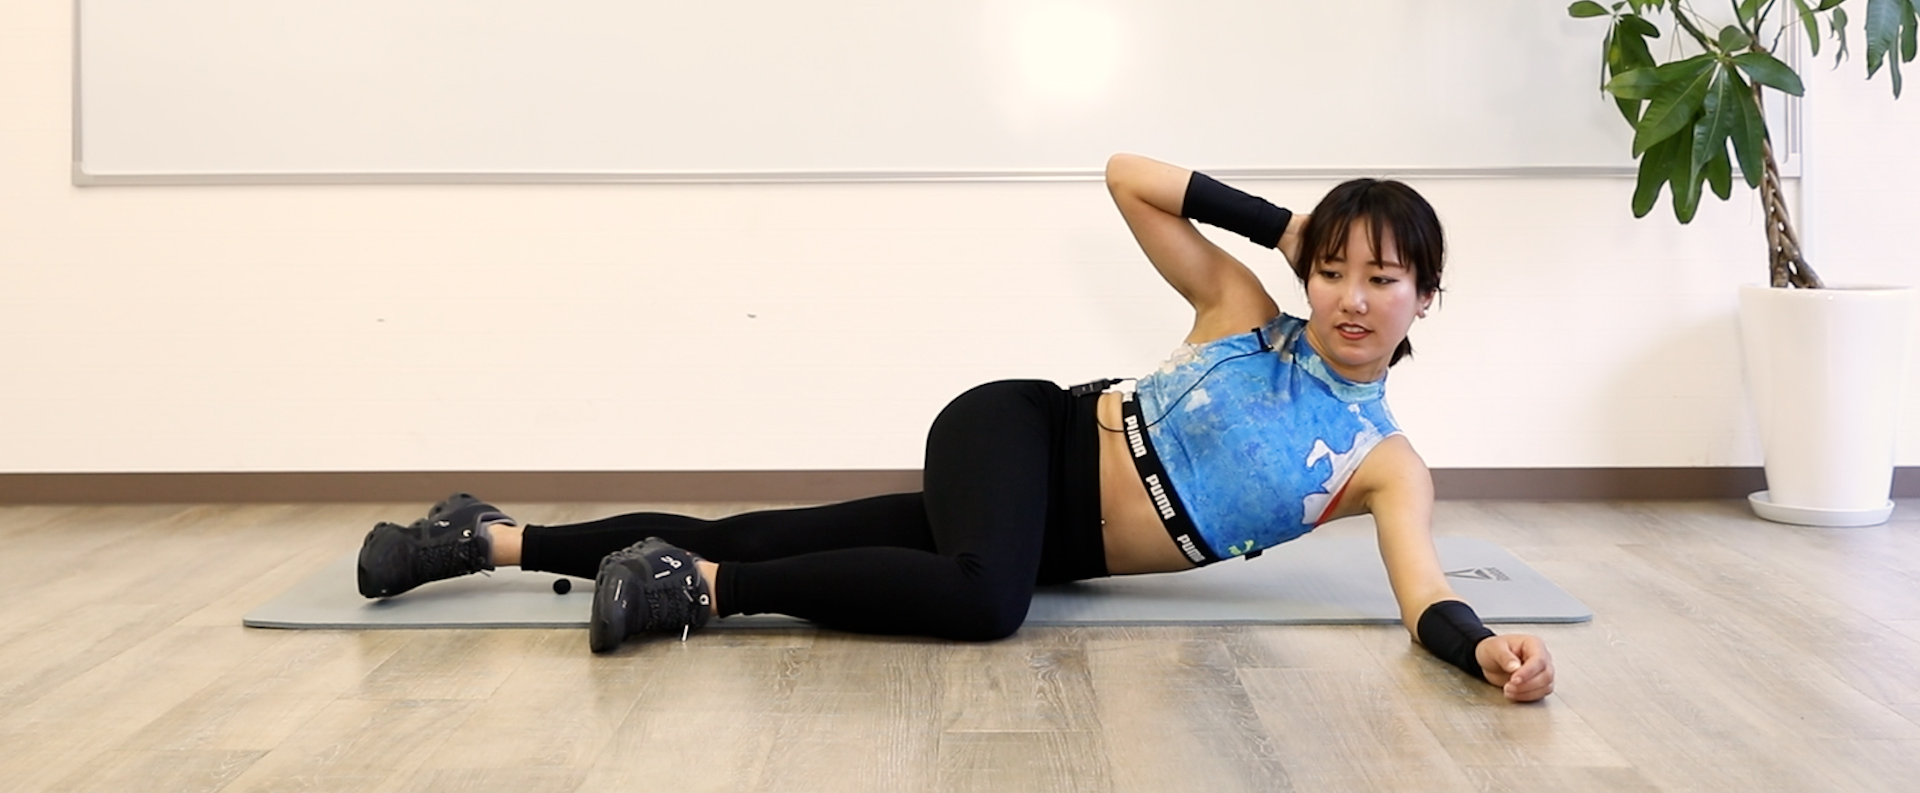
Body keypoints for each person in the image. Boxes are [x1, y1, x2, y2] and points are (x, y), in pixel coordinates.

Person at [356, 154, 1555, 701]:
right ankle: (699, 593)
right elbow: (1128, 174)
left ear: (1424, 299)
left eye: (1383, 278)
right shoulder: (1243, 309)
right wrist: (1281, 226)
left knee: (773, 533)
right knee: (985, 603)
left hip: (1036, 534)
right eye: (1336, 269)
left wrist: (1482, 651)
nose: (1352, 297)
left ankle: (478, 538)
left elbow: (1425, 598)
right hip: (1021, 434)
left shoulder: (1386, 466)